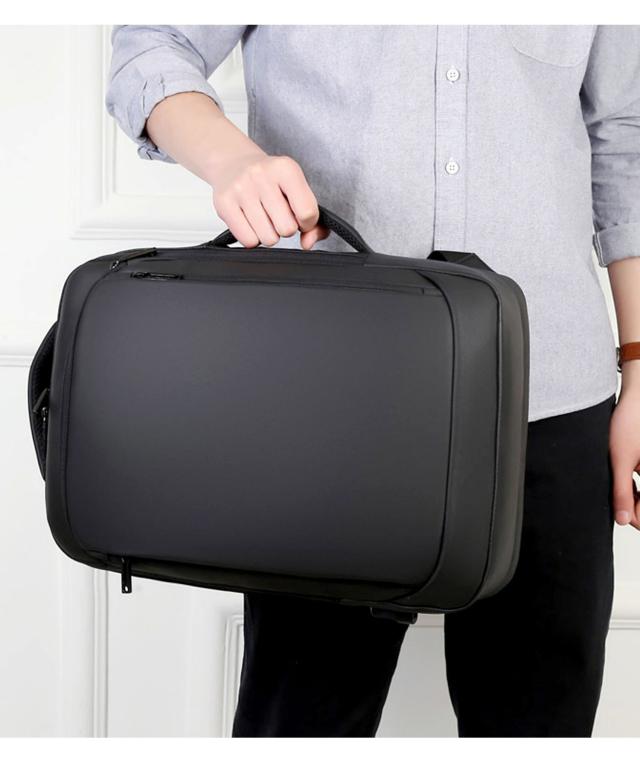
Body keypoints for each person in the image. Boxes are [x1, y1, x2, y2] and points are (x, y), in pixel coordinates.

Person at [106, 25, 640, 737]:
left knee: (541, 727)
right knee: (300, 723)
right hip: (328, 403)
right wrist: (233, 160)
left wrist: (638, 367)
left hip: (551, 392)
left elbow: (624, 138)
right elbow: (149, 46)